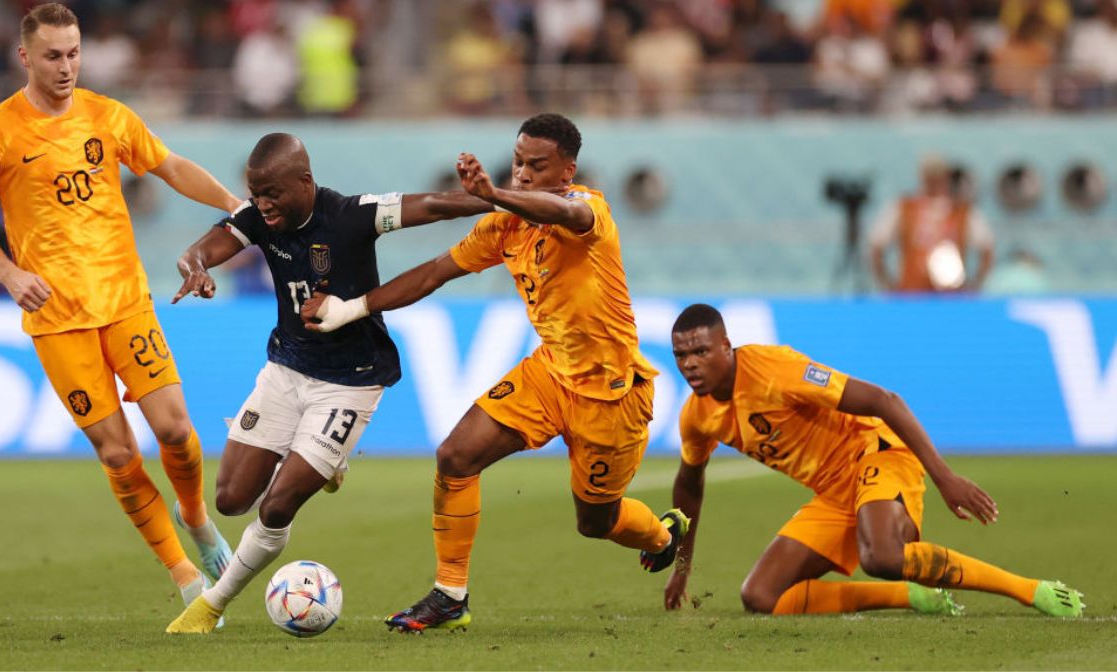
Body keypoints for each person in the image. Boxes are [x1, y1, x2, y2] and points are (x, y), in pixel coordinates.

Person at [302, 113, 686, 633]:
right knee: (456, 456)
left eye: (537, 165)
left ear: (567, 170)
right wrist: (352, 308)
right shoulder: (503, 226)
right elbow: (436, 272)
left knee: (596, 521)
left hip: (612, 394)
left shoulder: (589, 210)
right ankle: (450, 595)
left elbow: (561, 212)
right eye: (517, 162)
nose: (523, 174)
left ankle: (662, 537)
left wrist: (497, 192)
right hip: (549, 374)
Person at [0, 2, 237, 609]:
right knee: (117, 452)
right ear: (25, 57)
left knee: (177, 433)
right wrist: (7, 272)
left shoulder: (108, 116)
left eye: (74, 53)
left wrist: (240, 210)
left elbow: (171, 166)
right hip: (57, 320)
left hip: (125, 301)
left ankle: (195, 517)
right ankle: (185, 576)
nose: (66, 67)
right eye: (53, 55)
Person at [165, 132, 499, 633]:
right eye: (255, 193)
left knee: (278, 505)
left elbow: (430, 205)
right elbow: (198, 251)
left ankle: (212, 604)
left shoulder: (350, 215)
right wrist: (196, 270)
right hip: (285, 369)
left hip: (351, 380)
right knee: (231, 500)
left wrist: (492, 197)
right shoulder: (257, 219)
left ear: (305, 181)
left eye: (272, 192)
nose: (262, 204)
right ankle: (321, 461)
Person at [659, 303, 1084, 618]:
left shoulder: (775, 370)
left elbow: (884, 400)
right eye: (681, 356)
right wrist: (681, 565)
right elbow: (688, 486)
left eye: (701, 352)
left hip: (877, 454)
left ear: (726, 346)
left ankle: (1029, 590)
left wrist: (944, 477)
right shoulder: (696, 418)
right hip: (835, 492)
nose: (690, 364)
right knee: (760, 597)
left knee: (881, 556)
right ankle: (912, 596)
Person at [869, 155, 994, 292]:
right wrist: (888, 286)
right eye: (929, 174)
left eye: (937, 174)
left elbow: (986, 249)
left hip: (952, 297)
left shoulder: (963, 212)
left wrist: (974, 286)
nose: (933, 180)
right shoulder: (904, 208)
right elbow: (877, 246)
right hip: (912, 295)